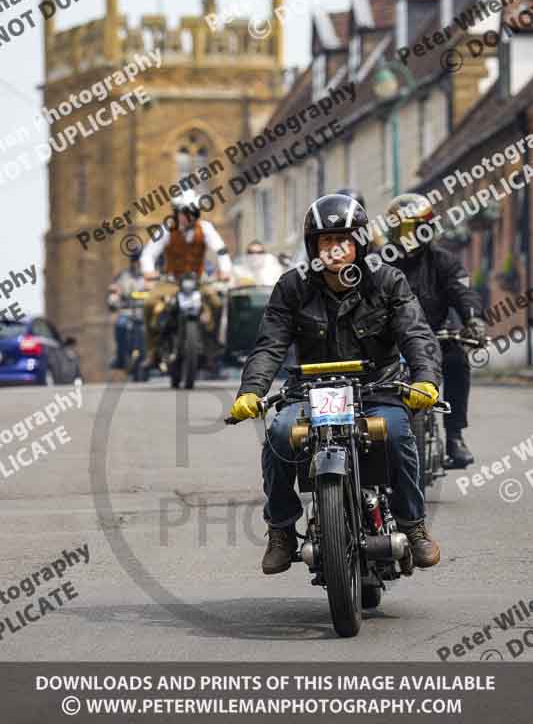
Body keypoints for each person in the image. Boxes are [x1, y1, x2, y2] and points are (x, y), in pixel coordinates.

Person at [228, 192, 443, 576]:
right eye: (326, 241)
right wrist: (251, 391)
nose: (335, 249)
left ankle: (413, 526)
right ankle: (280, 530)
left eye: (344, 239)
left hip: (377, 388)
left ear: (359, 241)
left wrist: (426, 380)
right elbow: (270, 344)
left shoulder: (388, 280)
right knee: (278, 433)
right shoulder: (292, 286)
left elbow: (416, 334)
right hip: (310, 390)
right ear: (314, 247)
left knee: (396, 433)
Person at [383, 193, 486, 469]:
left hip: (433, 338)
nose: (409, 236)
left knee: (457, 359)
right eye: (402, 229)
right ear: (392, 231)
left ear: (427, 230)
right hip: (387, 341)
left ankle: (454, 437)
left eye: (415, 229)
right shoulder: (377, 263)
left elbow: (463, 293)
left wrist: (474, 320)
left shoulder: (444, 261)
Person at [140, 190, 232, 369]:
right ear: (176, 213)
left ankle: (211, 350)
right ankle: (152, 352)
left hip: (198, 280)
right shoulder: (166, 229)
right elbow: (148, 253)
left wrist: (225, 270)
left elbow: (221, 250)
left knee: (216, 303)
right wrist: (148, 272)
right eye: (183, 212)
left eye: (191, 212)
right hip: (171, 281)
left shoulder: (206, 228)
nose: (186, 217)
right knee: (150, 304)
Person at [107, 254, 146, 370]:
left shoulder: (148, 277)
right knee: (120, 325)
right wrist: (113, 302)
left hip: (144, 313)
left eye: (139, 261)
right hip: (127, 312)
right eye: (135, 261)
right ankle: (120, 356)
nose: (137, 264)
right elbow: (115, 292)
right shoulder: (123, 276)